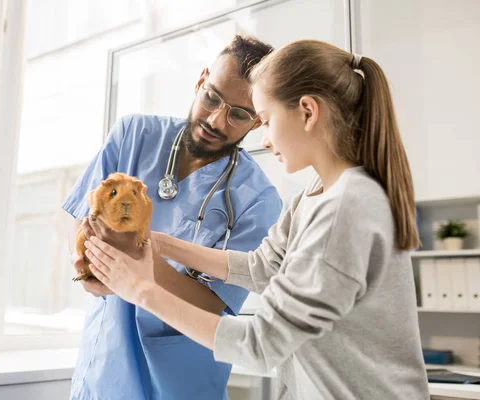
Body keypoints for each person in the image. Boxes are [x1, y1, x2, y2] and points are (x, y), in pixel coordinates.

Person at [84, 40, 431, 399]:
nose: (264, 140)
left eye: (263, 120)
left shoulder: (346, 207)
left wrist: (140, 289)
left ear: (308, 113)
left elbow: (260, 345)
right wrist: (159, 244)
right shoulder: (315, 195)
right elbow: (262, 268)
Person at [62, 35, 283, 400]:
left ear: (257, 121)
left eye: (238, 114)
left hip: (184, 378)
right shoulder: (133, 135)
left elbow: (214, 303)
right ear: (200, 81)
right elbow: (85, 221)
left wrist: (134, 267)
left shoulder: (260, 201)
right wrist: (86, 265)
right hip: (106, 368)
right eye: (212, 97)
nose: (216, 119)